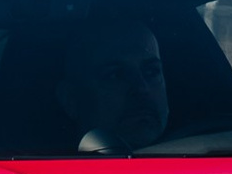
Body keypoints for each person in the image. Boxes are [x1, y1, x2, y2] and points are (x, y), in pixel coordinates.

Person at [54, 13, 169, 155]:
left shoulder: (194, 147)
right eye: (116, 75)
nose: (141, 88)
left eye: (151, 72)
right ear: (70, 99)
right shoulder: (47, 167)